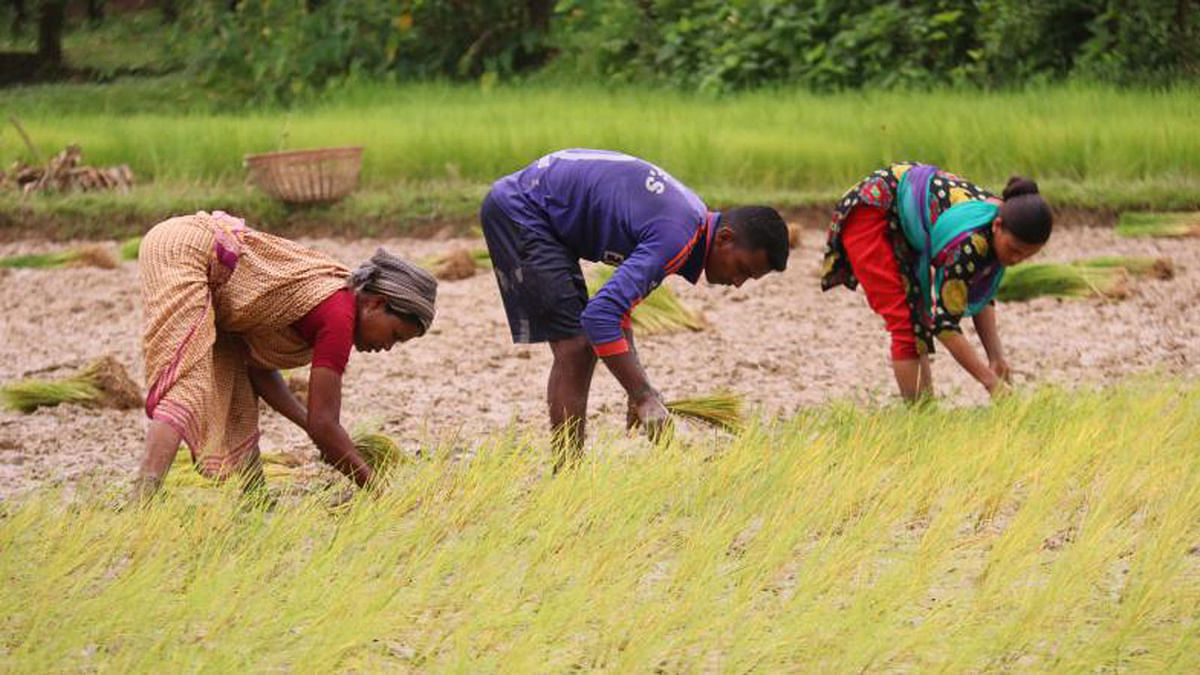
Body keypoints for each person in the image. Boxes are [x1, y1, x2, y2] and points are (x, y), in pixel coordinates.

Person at [480, 148, 790, 469]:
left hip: (540, 212)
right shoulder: (677, 235)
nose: (738, 283)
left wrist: (639, 388)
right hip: (523, 209)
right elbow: (600, 316)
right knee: (576, 347)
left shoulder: (687, 225)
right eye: (742, 269)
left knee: (580, 345)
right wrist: (643, 396)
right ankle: (567, 475)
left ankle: (568, 471)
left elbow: (619, 312)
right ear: (725, 239)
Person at [131, 210, 437, 501]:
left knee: (239, 393)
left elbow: (258, 369)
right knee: (188, 386)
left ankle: (256, 498)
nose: (387, 347)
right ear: (376, 304)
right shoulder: (339, 316)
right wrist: (379, 493)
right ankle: (142, 501)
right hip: (185, 251)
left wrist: (315, 430)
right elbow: (325, 423)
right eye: (395, 335)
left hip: (205, 266)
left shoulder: (332, 303)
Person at [820, 162, 1052, 401]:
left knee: (915, 322)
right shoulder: (970, 243)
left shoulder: (1004, 224)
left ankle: (925, 415)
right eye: (1013, 250)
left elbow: (978, 290)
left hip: (904, 213)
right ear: (997, 226)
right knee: (907, 325)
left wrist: (996, 357)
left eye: (1026, 255)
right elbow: (944, 325)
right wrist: (990, 382)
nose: (1015, 259)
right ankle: (920, 418)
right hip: (874, 210)